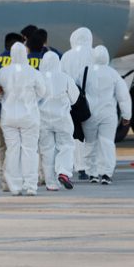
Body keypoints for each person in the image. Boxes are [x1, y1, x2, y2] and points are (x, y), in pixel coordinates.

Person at [0, 42, 47, 196]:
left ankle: (14, 186)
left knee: (12, 150)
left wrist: (6, 101)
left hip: (8, 117)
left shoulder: (3, 72)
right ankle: (31, 185)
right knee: (30, 150)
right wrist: (32, 102)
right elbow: (42, 92)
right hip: (29, 116)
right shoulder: (34, 73)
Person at [83, 46, 132, 184]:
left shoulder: (85, 71)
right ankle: (106, 174)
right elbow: (123, 97)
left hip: (89, 115)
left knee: (90, 143)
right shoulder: (113, 74)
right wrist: (127, 115)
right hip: (108, 115)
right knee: (107, 143)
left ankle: (91, 173)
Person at [38, 52, 79, 191]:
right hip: (62, 119)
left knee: (47, 150)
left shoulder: (39, 78)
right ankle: (63, 172)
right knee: (66, 146)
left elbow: (34, 99)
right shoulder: (65, 78)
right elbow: (75, 98)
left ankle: (51, 183)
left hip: (43, 120)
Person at [0, 32, 22, 192]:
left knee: (1, 146)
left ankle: (3, 181)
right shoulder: (22, 63)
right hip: (17, 111)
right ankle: (16, 178)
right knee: (16, 146)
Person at [60, 27, 95, 180]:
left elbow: (62, 77)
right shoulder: (95, 54)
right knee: (93, 135)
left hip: (74, 100)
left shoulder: (66, 56)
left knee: (76, 134)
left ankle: (80, 167)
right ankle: (94, 167)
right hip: (95, 100)